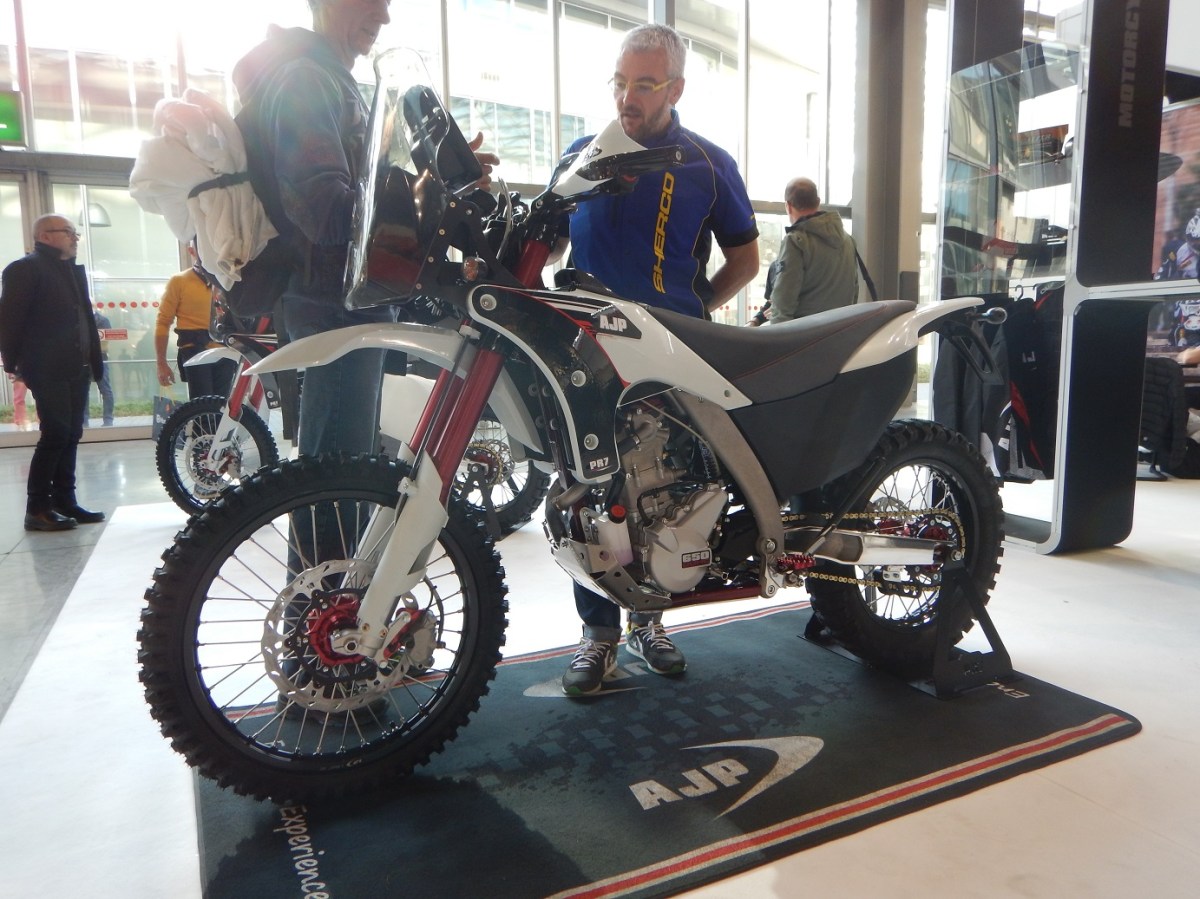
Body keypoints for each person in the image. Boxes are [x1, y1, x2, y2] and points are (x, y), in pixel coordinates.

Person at [556, 23, 760, 696]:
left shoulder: (708, 163)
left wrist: (696, 310)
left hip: (670, 354)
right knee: (587, 495)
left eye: (643, 84)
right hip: (586, 353)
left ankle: (649, 621)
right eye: (619, 82)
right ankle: (598, 634)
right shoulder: (581, 156)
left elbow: (745, 258)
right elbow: (545, 242)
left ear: (675, 89)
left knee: (662, 494)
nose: (627, 97)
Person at [231, 0, 496, 460]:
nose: (384, 16)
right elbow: (327, 213)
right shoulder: (307, 80)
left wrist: (438, 181)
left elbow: (362, 196)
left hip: (348, 305)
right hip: (338, 308)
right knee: (337, 477)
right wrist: (430, 194)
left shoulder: (330, 78)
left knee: (342, 473)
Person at [0, 214, 106, 531]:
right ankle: (37, 508)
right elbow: (9, 321)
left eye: (75, 233)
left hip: (77, 366)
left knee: (71, 434)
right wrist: (14, 364)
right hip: (47, 368)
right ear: (45, 236)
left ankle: (64, 501)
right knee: (56, 434)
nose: (75, 238)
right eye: (68, 232)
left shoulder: (68, 270)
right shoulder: (25, 269)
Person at [751, 177, 858, 326]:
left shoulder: (796, 241)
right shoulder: (848, 241)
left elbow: (783, 304)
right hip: (841, 332)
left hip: (807, 335)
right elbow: (853, 294)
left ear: (788, 206)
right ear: (818, 202)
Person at [154, 247, 236, 400]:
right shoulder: (179, 281)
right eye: (203, 247)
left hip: (226, 350)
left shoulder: (228, 280)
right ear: (191, 251)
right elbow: (163, 322)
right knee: (202, 406)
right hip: (195, 350)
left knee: (222, 406)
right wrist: (161, 363)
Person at [87, 310, 115, 426]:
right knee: (84, 391)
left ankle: (108, 420)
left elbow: (106, 341)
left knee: (105, 389)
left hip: (100, 358)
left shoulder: (103, 321)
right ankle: (84, 421)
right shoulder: (81, 320)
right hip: (85, 360)